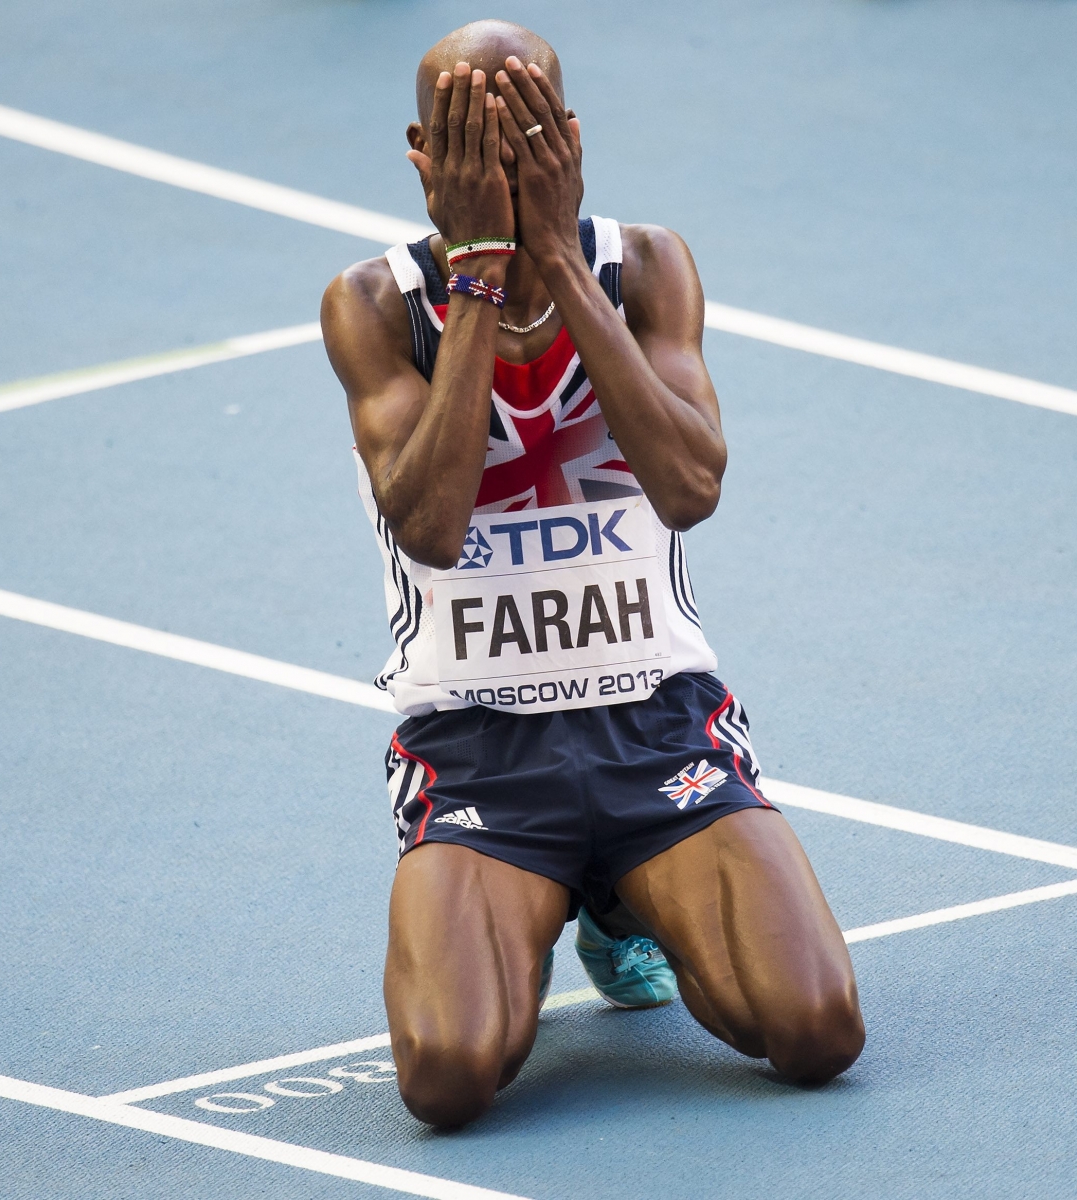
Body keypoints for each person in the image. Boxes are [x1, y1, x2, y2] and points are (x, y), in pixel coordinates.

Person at [320, 20, 865, 1127]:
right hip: (480, 744)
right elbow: (428, 520)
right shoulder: (375, 305)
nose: (500, 170)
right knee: (449, 1078)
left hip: (656, 726)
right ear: (421, 157)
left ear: (568, 140)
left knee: (816, 1034)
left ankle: (619, 898)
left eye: (520, 139)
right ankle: (556, 893)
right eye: (469, 145)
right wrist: (475, 283)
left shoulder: (646, 265)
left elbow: (691, 487)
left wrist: (557, 260)